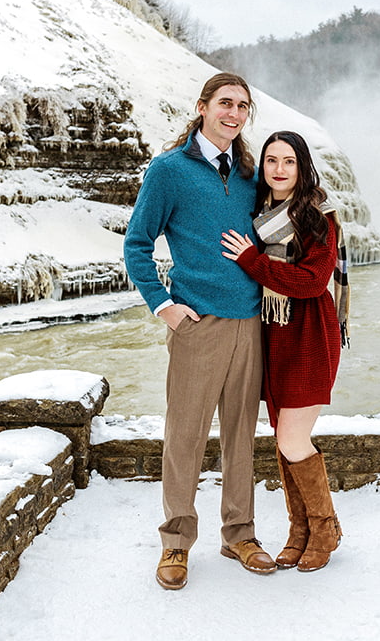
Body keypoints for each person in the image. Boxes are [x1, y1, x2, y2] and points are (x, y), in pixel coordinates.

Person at [123, 72, 276, 591]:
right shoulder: (168, 171)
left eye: (242, 107)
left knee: (241, 437)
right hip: (198, 324)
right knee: (184, 437)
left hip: (250, 324)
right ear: (203, 107)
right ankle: (175, 542)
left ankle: (239, 534)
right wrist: (164, 306)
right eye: (225, 104)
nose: (234, 114)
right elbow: (136, 245)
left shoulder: (252, 173)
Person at [220, 130, 349, 572]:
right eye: (271, 160)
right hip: (273, 335)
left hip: (310, 336)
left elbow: (312, 281)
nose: (279, 169)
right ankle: (300, 530)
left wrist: (253, 262)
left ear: (302, 167)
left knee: (293, 438)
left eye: (289, 161)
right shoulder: (259, 215)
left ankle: (325, 527)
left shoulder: (317, 217)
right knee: (282, 437)